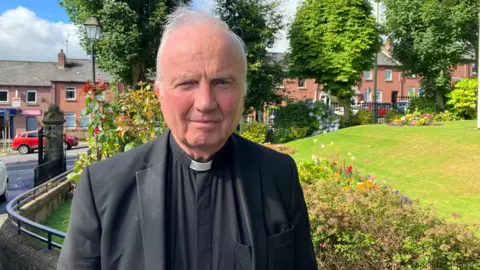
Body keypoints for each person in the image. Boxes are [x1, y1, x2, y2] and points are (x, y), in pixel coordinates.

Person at [57, 6, 317, 270]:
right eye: (186, 83)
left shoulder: (279, 175)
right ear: (159, 93)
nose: (205, 103)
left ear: (243, 92)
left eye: (222, 82)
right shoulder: (102, 187)